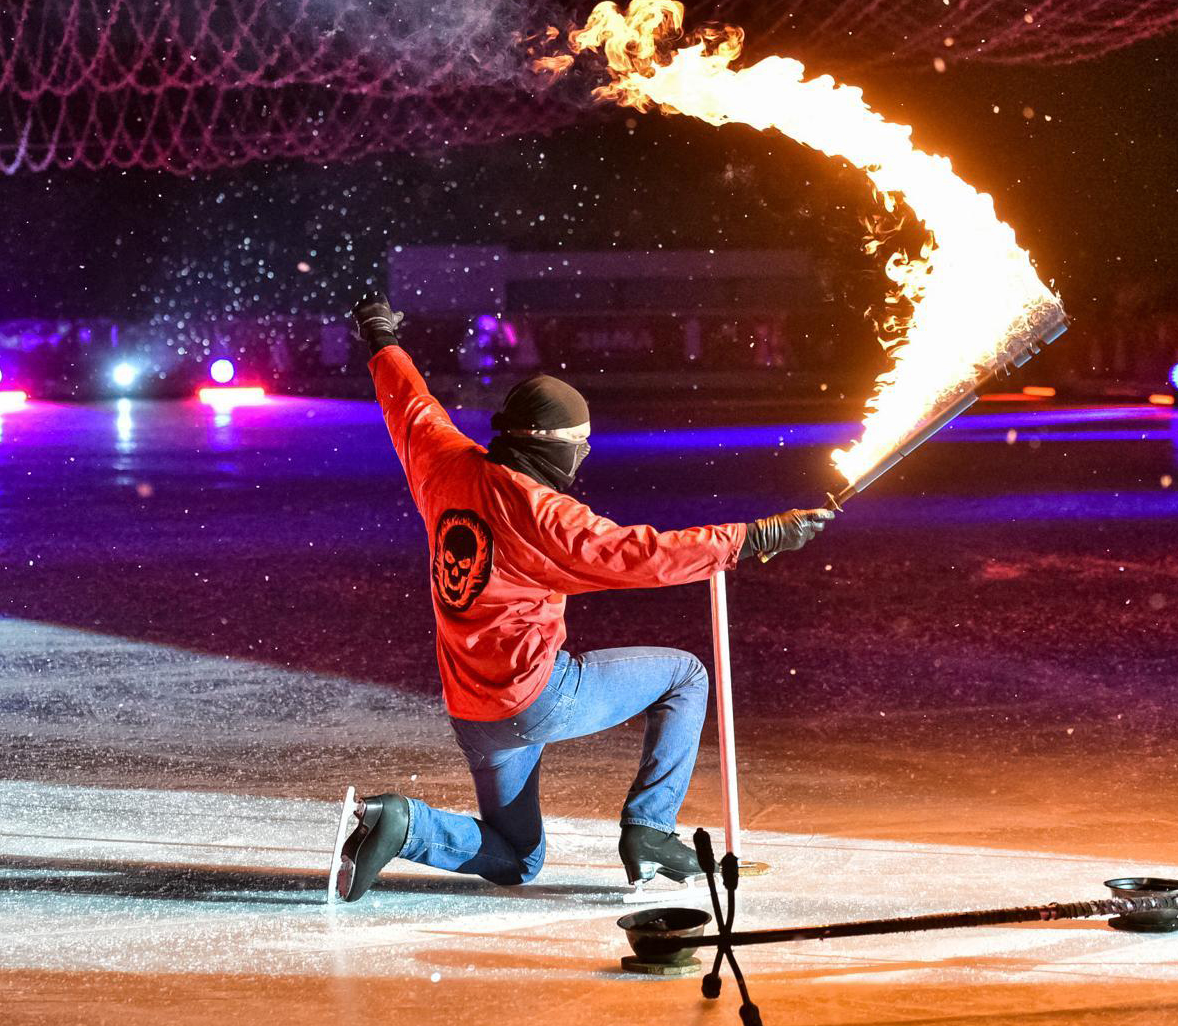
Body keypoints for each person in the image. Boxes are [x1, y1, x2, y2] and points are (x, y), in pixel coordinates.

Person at [336, 293, 831, 901]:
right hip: (535, 696)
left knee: (517, 857)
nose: (586, 453)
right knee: (685, 676)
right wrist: (756, 536)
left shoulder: (445, 465)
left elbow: (410, 406)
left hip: (473, 708)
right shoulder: (546, 516)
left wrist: (381, 339)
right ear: (549, 444)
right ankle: (649, 829)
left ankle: (402, 824)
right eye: (579, 442)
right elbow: (640, 555)